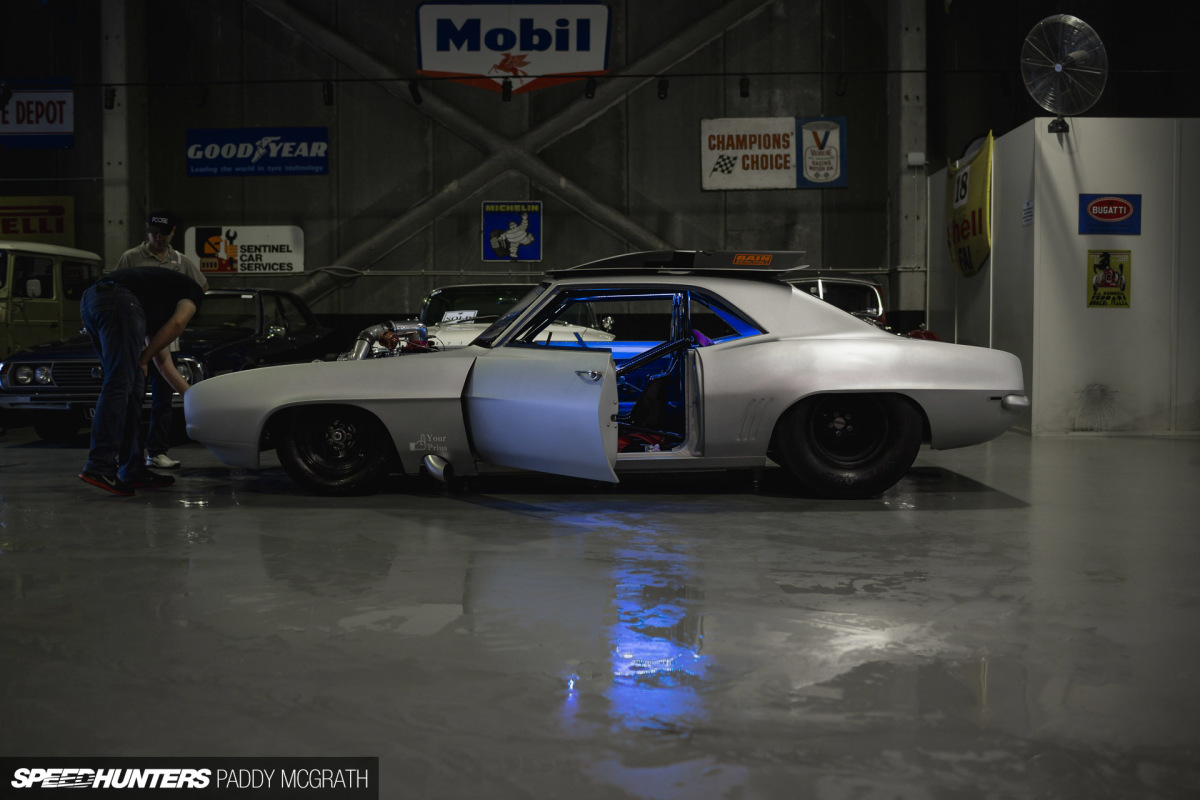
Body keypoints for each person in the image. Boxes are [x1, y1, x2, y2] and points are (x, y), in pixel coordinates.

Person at [77, 267, 205, 496]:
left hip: (93, 301)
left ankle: (132, 469)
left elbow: (163, 364)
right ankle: (99, 465)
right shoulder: (194, 289)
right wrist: (144, 358)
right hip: (117, 301)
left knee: (132, 384)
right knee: (119, 384)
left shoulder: (153, 301)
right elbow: (178, 323)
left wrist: (195, 400)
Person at [115, 209, 208, 469]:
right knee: (131, 396)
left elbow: (201, 285)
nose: (158, 238)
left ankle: (156, 452)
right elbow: (115, 287)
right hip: (135, 334)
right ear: (147, 229)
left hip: (163, 335)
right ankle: (127, 453)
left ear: (173, 232)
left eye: (164, 234)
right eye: (154, 233)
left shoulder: (180, 261)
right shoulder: (131, 257)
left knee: (162, 397)